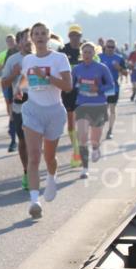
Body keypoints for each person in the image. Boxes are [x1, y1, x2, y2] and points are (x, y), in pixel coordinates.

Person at [19, 22, 72, 219]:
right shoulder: (28, 60)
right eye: (36, 34)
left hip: (54, 112)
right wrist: (19, 88)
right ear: (31, 38)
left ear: (49, 37)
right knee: (33, 156)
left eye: (43, 33)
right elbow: (26, 78)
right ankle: (34, 201)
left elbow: (67, 86)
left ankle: (51, 176)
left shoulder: (60, 58)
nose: (40, 37)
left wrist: (47, 77)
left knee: (49, 157)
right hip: (33, 110)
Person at [72, 42, 115, 178]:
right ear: (81, 54)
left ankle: (95, 148)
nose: (87, 55)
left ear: (94, 54)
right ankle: (85, 168)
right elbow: (71, 85)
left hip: (98, 105)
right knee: (82, 138)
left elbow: (111, 86)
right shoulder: (77, 69)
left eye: (90, 52)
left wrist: (98, 89)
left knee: (94, 140)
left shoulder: (102, 68)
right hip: (82, 105)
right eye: (85, 52)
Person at [1, 29, 33, 190]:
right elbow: (4, 84)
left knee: (37, 141)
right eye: (25, 40)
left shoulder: (42, 58)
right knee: (23, 141)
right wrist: (14, 74)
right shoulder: (13, 60)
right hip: (20, 105)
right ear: (19, 43)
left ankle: (37, 171)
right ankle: (27, 172)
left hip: (40, 105)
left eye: (31, 39)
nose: (29, 42)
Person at [59, 25, 84, 168]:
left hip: (84, 92)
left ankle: (80, 149)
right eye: (73, 35)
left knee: (83, 122)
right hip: (68, 91)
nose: (75, 38)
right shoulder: (63, 51)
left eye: (78, 35)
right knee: (70, 122)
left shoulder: (86, 49)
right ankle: (76, 151)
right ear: (69, 36)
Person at [98, 39, 126, 140]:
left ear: (115, 48)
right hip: (101, 87)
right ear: (105, 46)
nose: (110, 49)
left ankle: (110, 130)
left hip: (113, 87)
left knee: (112, 109)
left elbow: (126, 73)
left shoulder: (119, 58)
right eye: (108, 47)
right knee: (102, 109)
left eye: (112, 47)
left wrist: (119, 68)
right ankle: (99, 129)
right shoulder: (99, 57)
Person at [0, 34, 19, 152]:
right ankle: (13, 141)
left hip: (29, 90)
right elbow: (5, 76)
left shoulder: (31, 54)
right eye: (8, 41)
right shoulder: (9, 55)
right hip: (12, 88)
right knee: (12, 114)